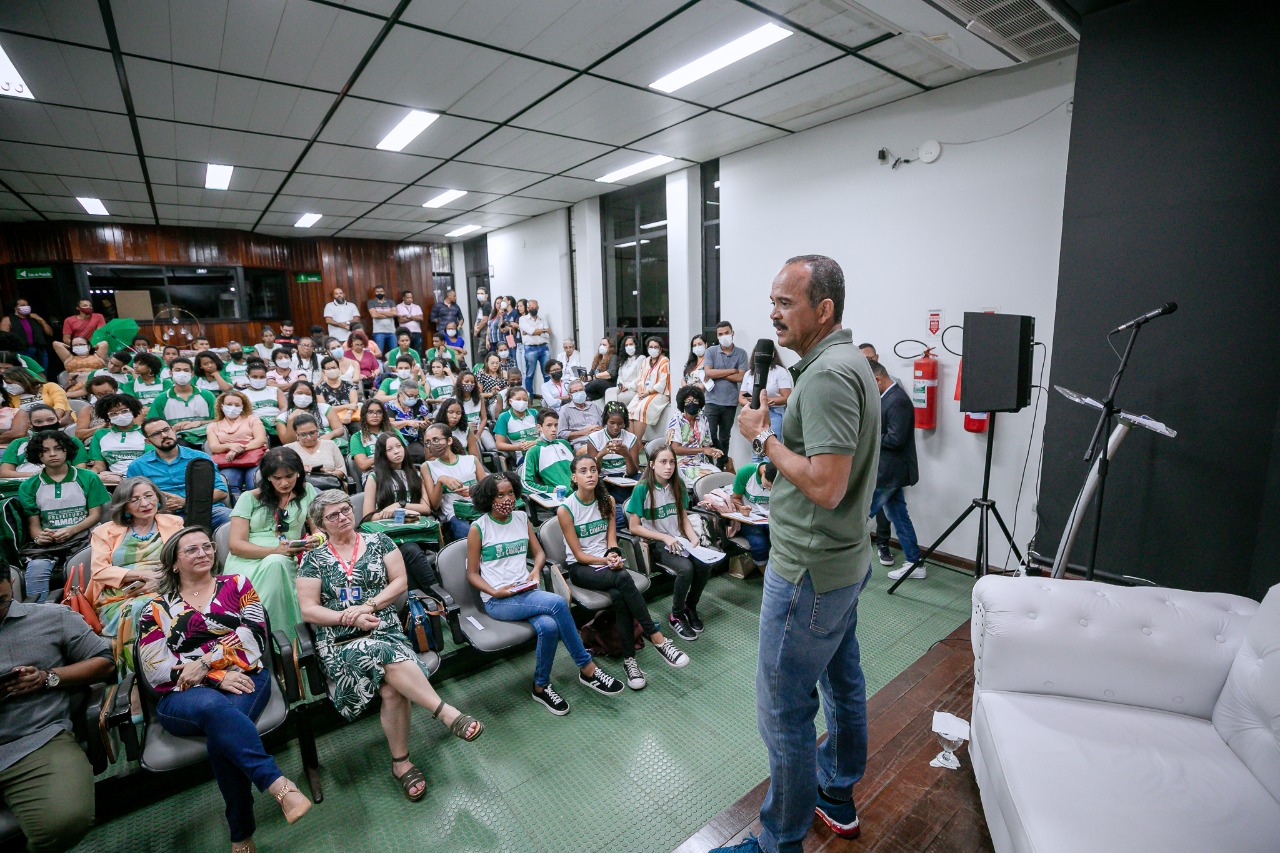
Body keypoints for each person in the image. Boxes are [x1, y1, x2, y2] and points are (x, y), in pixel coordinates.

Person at [719, 255, 880, 853]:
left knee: (784, 710)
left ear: (824, 309)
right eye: (773, 301)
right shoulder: (846, 361)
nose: (773, 313)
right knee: (842, 683)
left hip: (808, 572)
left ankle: (778, 841)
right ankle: (835, 794)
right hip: (842, 562)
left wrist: (763, 437)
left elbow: (827, 486)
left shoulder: (828, 375)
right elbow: (821, 465)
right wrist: (780, 452)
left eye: (786, 303)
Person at [297, 489, 483, 802]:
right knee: (384, 656)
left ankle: (401, 763)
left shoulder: (379, 541)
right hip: (341, 639)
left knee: (392, 690)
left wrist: (369, 606)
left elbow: (400, 582)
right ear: (321, 524)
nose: (342, 517)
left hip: (383, 626)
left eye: (345, 510)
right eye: (333, 515)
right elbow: (309, 609)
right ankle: (445, 712)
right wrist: (347, 617)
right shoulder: (313, 560)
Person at [137, 527, 312, 850]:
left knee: (223, 734)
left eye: (207, 546)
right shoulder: (155, 610)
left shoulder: (237, 585)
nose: (203, 553)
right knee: (212, 707)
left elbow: (254, 636)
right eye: (191, 549)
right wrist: (217, 677)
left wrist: (205, 664)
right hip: (183, 696)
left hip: (246, 677)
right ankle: (278, 784)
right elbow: (158, 670)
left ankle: (241, 835)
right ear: (173, 562)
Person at [467, 472, 623, 713]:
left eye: (511, 493)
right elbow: (472, 574)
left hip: (526, 591)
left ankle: (540, 687)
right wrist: (494, 592)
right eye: (500, 495)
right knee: (558, 603)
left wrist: (535, 571)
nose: (507, 499)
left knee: (549, 627)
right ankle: (587, 668)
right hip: (499, 600)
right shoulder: (478, 528)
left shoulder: (521, 518)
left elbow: (539, 553)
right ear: (488, 498)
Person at [0, 571, 114, 853]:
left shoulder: (52, 618)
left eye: (0, 601)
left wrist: (47, 677)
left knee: (66, 821)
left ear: (11, 584)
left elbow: (105, 662)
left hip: (33, 741)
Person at [558, 455, 688, 689]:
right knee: (622, 577)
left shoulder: (607, 501)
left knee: (619, 594)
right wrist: (606, 560)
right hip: (581, 568)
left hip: (607, 565)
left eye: (593, 470)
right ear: (574, 477)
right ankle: (656, 637)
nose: (590, 475)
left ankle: (630, 661)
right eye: (583, 471)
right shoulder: (566, 509)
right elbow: (578, 555)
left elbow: (611, 540)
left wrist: (614, 554)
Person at [627, 444, 724, 641]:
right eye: (663, 462)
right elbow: (634, 527)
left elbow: (682, 516)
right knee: (686, 569)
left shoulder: (677, 483)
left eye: (672, 462)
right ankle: (676, 615)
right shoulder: (642, 489)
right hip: (656, 543)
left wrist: (693, 537)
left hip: (679, 540)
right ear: (652, 464)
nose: (668, 467)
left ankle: (690, 606)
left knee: (704, 564)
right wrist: (664, 537)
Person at [89, 477, 185, 673]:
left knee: (152, 605)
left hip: (167, 586)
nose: (145, 503)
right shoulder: (104, 532)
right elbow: (99, 571)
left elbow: (185, 560)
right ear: (124, 506)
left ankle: (171, 668)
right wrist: (142, 575)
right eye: (135, 500)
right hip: (119, 595)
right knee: (142, 607)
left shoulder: (174, 523)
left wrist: (162, 581)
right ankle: (138, 676)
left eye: (149, 496)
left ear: (158, 497)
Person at [223, 448, 320, 642]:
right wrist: (275, 551)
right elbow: (235, 545)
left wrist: (316, 538)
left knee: (278, 563)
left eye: (289, 476)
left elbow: (318, 529)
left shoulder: (307, 491)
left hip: (287, 557)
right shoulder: (249, 498)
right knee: (276, 562)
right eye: (277, 478)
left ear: (299, 473)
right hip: (248, 561)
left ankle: (281, 641)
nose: (284, 483)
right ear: (267, 477)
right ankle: (265, 637)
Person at [17, 430, 110, 601]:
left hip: (85, 537)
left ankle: (84, 610)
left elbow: (95, 516)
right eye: (44, 450)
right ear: (37, 454)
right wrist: (40, 537)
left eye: (58, 448)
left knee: (82, 565)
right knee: (36, 569)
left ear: (67, 450)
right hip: (49, 544)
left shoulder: (88, 477)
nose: (52, 454)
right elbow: (34, 526)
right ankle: (37, 612)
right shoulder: (29, 486)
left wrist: (71, 530)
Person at [866, 360, 923, 580]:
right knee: (898, 516)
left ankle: (842, 562)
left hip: (890, 473)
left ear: (877, 379)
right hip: (889, 471)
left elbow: (896, 439)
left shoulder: (897, 400)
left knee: (862, 515)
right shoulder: (888, 397)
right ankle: (915, 562)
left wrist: (868, 436)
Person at [360, 433, 437, 591]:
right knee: (410, 551)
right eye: (389, 449)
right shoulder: (374, 478)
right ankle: (437, 595)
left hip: (414, 530)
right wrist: (389, 513)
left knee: (411, 552)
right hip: (390, 535)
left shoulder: (415, 474)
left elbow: (425, 508)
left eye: (399, 446)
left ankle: (423, 599)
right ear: (382, 454)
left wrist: (399, 506)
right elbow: (367, 517)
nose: (396, 451)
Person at [127, 418, 233, 530]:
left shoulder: (200, 458)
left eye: (166, 430)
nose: (164, 435)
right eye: (156, 434)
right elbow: (132, 500)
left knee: (234, 520)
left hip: (207, 511)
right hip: (162, 515)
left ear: (173, 430)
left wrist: (186, 502)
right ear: (148, 441)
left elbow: (221, 492)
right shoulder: (138, 466)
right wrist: (159, 506)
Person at [858, 343, 892, 566]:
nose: (867, 363)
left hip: (884, 457)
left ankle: (882, 544)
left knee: (881, 506)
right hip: (862, 454)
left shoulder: (890, 386)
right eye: (863, 360)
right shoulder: (857, 383)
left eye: (870, 359)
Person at [422, 423, 485, 542]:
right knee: (469, 534)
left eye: (436, 440)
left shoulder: (471, 460)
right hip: (455, 515)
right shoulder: (427, 466)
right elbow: (435, 505)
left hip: (479, 509)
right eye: (428, 442)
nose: (432, 445)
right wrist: (440, 480)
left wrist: (472, 489)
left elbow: (488, 490)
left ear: (449, 440)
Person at [586, 401, 641, 529]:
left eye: (620, 423)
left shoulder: (631, 438)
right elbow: (593, 470)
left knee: (643, 484)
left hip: (626, 478)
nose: (616, 427)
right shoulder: (594, 438)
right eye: (612, 423)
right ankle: (623, 517)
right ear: (606, 421)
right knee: (600, 491)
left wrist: (627, 455)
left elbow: (633, 471)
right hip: (604, 479)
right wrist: (601, 455)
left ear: (625, 423)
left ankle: (631, 514)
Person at [206, 390, 269, 502]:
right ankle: (239, 509)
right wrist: (230, 446)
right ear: (222, 406)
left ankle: (258, 509)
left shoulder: (252, 419)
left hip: (254, 458)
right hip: (229, 461)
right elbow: (214, 447)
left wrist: (239, 450)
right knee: (230, 483)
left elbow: (260, 440)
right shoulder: (213, 426)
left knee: (254, 481)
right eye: (229, 404)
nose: (232, 408)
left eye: (237, 405)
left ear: (243, 406)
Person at [703, 321, 749, 467]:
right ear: (717, 336)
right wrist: (731, 371)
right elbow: (708, 372)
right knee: (709, 435)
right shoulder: (711, 351)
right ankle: (709, 465)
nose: (724, 336)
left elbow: (741, 377)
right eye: (720, 334)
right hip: (711, 401)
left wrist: (717, 373)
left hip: (730, 402)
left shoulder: (741, 353)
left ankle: (721, 466)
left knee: (724, 437)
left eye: (726, 333)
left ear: (732, 333)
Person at [0, 404, 89, 480]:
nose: (45, 424)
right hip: (21, 484)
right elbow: (4, 472)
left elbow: (80, 470)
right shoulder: (17, 443)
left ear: (58, 419)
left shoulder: (73, 441)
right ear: (30, 424)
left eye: (50, 420)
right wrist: (37, 475)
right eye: (38, 422)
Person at [738, 341, 793, 453]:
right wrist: (753, 402)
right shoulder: (749, 373)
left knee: (771, 449)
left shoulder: (780, 371)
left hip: (774, 413)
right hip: (754, 412)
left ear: (773, 354)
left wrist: (765, 401)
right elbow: (741, 397)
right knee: (757, 450)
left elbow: (787, 397)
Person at [147, 358, 217, 443]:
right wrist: (174, 428)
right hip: (175, 441)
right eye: (178, 370)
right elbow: (152, 425)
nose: (182, 373)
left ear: (192, 373)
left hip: (205, 439)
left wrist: (199, 423)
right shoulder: (161, 399)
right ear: (170, 373)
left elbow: (219, 420)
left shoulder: (207, 395)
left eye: (186, 370)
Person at [667, 385, 723, 489]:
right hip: (682, 464)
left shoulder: (703, 419)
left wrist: (713, 451)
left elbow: (706, 446)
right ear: (682, 403)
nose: (692, 403)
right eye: (688, 401)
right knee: (702, 482)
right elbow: (675, 449)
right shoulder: (676, 420)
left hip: (701, 462)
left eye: (695, 401)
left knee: (719, 477)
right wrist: (702, 450)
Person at [87, 393, 147, 485]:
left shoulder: (146, 432)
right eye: (113, 413)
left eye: (124, 411)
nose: (120, 415)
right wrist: (93, 473)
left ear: (133, 410)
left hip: (145, 479)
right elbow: (100, 465)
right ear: (107, 416)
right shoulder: (100, 435)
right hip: (115, 482)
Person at [283, 414, 346, 492]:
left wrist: (329, 474)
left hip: (330, 487)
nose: (309, 438)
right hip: (301, 489)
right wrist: (299, 470)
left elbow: (341, 471)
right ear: (296, 434)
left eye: (312, 433)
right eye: (303, 435)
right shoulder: (288, 449)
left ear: (317, 430)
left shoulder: (330, 445)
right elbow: (283, 474)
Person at [732, 461, 776, 568]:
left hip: (771, 516)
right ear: (764, 472)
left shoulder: (782, 476)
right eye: (767, 486)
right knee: (759, 544)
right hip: (751, 517)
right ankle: (764, 572)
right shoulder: (746, 472)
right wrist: (741, 508)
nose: (769, 489)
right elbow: (736, 498)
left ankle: (778, 570)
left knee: (780, 540)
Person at [348, 399, 404, 481]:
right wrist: (386, 455)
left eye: (379, 412)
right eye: (370, 412)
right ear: (364, 415)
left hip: (397, 470)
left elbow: (405, 454)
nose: (375, 415)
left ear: (383, 415)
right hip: (373, 475)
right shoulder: (357, 437)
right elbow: (363, 465)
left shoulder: (393, 431)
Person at [521, 410, 574, 492]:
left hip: (581, 491)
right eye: (549, 425)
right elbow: (525, 484)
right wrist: (551, 490)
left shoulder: (564, 443)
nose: (554, 429)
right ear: (539, 427)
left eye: (556, 425)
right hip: (561, 496)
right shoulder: (534, 451)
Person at [275, 380, 343, 444]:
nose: (303, 396)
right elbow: (287, 443)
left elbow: (340, 429)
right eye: (300, 393)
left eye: (308, 394)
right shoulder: (283, 417)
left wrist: (330, 435)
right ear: (292, 395)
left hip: (327, 443)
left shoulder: (324, 408)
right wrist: (291, 420)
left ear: (312, 397)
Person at [626, 337, 670, 437]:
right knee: (629, 411)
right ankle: (632, 441)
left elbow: (662, 383)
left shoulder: (664, 361)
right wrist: (639, 390)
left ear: (660, 349)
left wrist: (647, 393)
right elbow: (640, 378)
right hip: (643, 393)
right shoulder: (646, 361)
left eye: (656, 347)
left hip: (658, 393)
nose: (653, 349)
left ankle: (638, 441)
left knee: (640, 410)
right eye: (651, 347)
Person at [384, 380, 431, 464]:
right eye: (410, 396)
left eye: (416, 396)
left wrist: (424, 425)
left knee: (426, 453)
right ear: (400, 393)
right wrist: (407, 422)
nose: (414, 399)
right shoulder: (390, 406)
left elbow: (427, 420)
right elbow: (389, 425)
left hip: (416, 440)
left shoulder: (419, 403)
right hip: (397, 440)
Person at [4, 367, 71, 424]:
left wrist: (52, 421)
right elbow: (12, 416)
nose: (7, 386)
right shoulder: (11, 396)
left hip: (57, 421)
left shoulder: (50, 386)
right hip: (28, 427)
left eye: (9, 383)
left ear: (22, 380)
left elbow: (60, 404)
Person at [2, 299, 54, 369]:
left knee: (41, 372)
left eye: (27, 305)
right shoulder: (8, 319)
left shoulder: (34, 318)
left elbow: (50, 333)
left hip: (38, 350)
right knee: (26, 372)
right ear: (15, 308)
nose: (26, 307)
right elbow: (4, 338)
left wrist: (40, 320)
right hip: (20, 351)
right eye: (22, 305)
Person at [492, 387, 537, 463]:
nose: (522, 402)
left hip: (541, 450)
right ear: (510, 401)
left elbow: (545, 434)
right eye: (518, 399)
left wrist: (535, 442)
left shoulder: (534, 413)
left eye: (525, 400)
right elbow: (499, 445)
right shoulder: (504, 417)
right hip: (524, 457)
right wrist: (518, 447)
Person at [454, 370, 494, 452]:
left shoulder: (479, 398)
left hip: (480, 429)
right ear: (460, 383)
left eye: (472, 382)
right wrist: (466, 427)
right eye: (466, 382)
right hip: (464, 430)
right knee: (479, 449)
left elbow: (484, 418)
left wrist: (478, 434)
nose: (470, 384)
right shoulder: (454, 400)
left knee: (492, 447)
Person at [557, 379, 603, 452]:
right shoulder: (565, 410)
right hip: (582, 444)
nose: (579, 393)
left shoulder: (594, 406)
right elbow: (560, 434)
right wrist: (583, 432)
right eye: (575, 391)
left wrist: (598, 429)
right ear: (570, 396)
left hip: (601, 440)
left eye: (581, 390)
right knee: (594, 450)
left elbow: (606, 425)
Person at [239, 361, 282, 436]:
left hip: (277, 421)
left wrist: (279, 417)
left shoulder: (275, 390)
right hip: (255, 424)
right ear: (248, 376)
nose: (258, 379)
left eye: (262, 377)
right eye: (254, 377)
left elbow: (284, 407)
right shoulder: (242, 395)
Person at [518, 299, 551, 393]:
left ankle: (548, 396)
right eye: (532, 308)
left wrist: (531, 332)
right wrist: (542, 330)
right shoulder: (523, 319)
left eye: (536, 307)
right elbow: (532, 331)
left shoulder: (542, 319)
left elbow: (548, 333)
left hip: (544, 347)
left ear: (538, 308)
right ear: (528, 308)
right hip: (530, 348)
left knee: (547, 374)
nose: (534, 309)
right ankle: (530, 398)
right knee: (529, 374)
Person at [73, 374, 118, 442]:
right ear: (94, 395)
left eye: (108, 393)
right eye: (100, 395)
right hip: (95, 442)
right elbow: (79, 434)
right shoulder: (88, 410)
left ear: (115, 390)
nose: (105, 397)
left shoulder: (127, 408)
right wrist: (102, 427)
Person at [316, 355, 360, 423]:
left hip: (350, 416)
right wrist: (348, 406)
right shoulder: (319, 388)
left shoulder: (349, 385)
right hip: (331, 420)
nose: (332, 370)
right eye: (328, 368)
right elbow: (325, 409)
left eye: (334, 367)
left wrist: (348, 414)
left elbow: (354, 404)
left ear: (338, 368)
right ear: (323, 371)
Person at [585, 336, 618, 401]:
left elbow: (610, 373)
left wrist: (596, 376)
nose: (601, 346)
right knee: (586, 395)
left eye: (604, 345)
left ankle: (581, 389)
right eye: (601, 344)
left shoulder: (613, 357)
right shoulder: (598, 359)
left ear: (610, 347)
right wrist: (585, 378)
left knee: (596, 382)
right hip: (598, 387)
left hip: (608, 384)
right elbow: (591, 374)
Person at [366, 287, 397, 356]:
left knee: (394, 353)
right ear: (374, 293)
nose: (379, 293)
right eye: (377, 291)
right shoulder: (371, 302)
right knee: (379, 354)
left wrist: (380, 312)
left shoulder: (390, 302)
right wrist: (389, 314)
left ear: (384, 292)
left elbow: (394, 313)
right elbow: (374, 315)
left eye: (381, 291)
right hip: (378, 332)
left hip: (391, 331)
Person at [476, 353, 506, 419]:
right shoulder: (481, 374)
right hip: (490, 401)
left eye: (497, 363)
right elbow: (478, 394)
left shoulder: (503, 373)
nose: (495, 365)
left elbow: (508, 387)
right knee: (496, 407)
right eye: (492, 363)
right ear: (487, 363)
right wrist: (491, 393)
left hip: (504, 398)